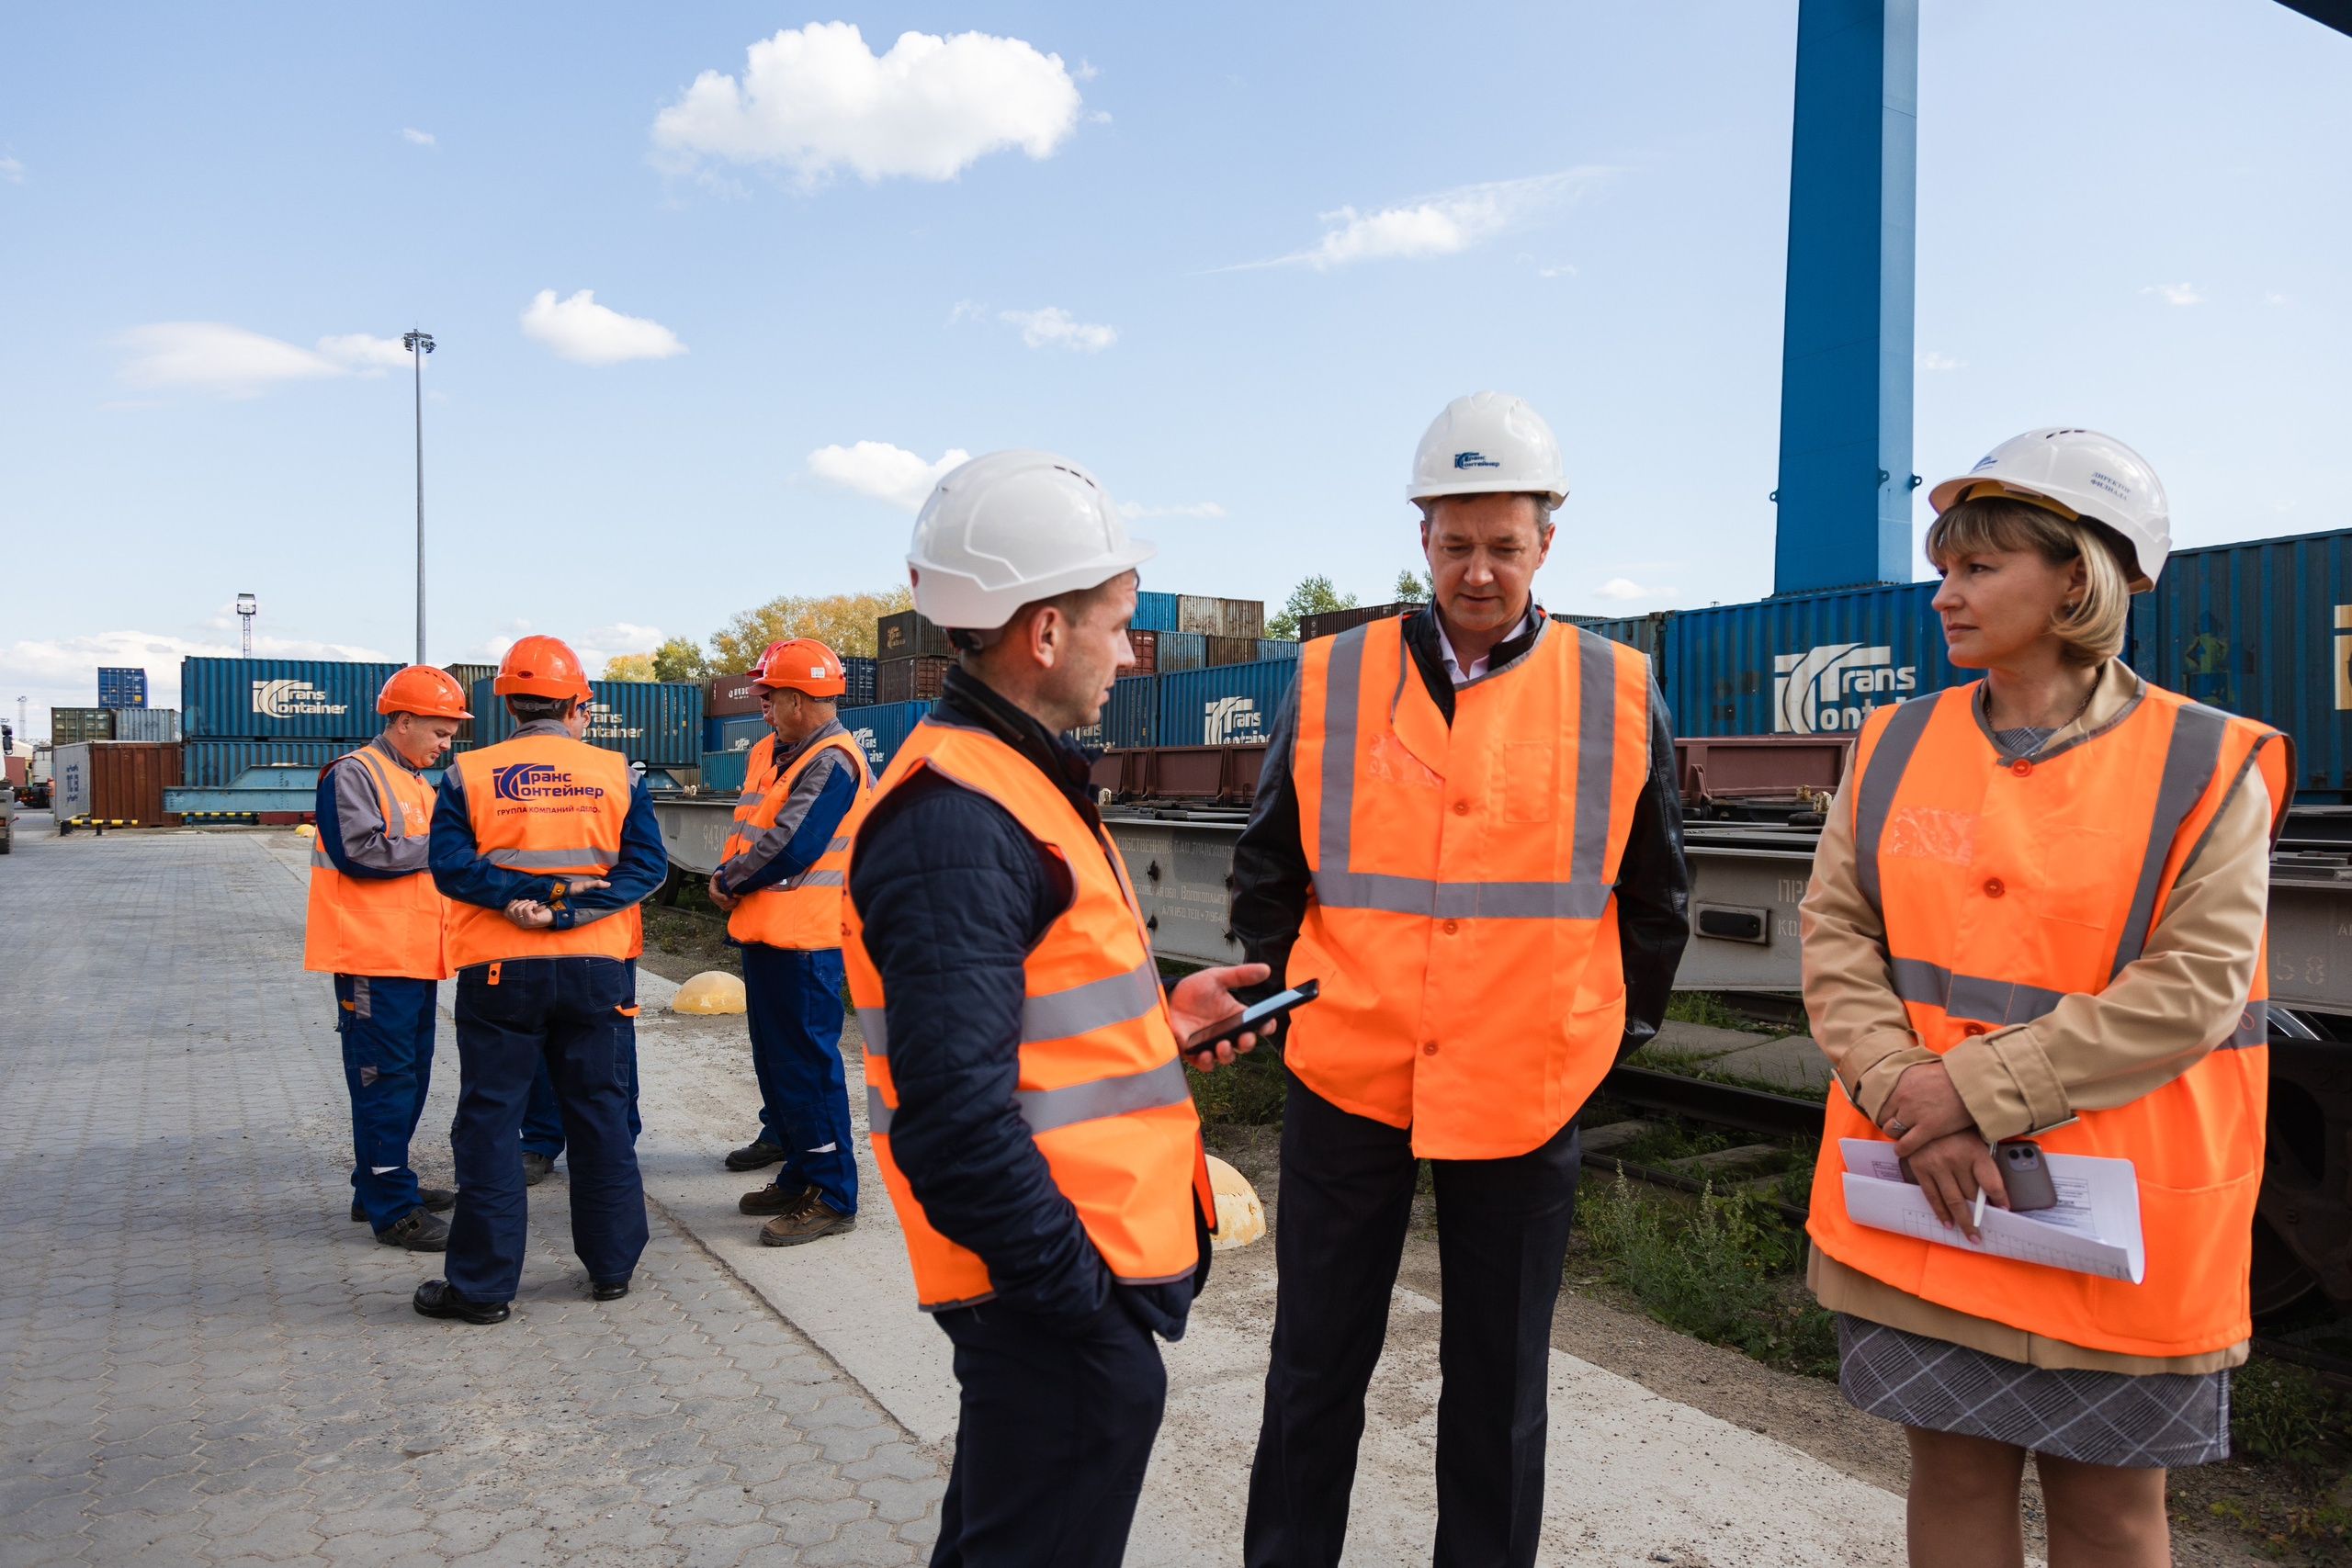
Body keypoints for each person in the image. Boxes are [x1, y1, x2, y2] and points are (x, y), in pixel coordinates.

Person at [1801, 428, 2288, 1568]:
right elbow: (1835, 937)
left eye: (1978, 569)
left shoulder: (2206, 762)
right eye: (1945, 568)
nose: (1944, 596)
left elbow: (2194, 987)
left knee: (2110, 1509)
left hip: (2115, 1220)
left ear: (2076, 577)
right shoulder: (1890, 742)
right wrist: (1904, 1092)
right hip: (1932, 1188)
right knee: (1952, 1478)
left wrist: (1964, 1091)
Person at [1228, 390, 1690, 1568]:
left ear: (1547, 542)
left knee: (1499, 1380)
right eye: (1454, 544)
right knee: (1315, 1358)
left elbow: (1655, 896)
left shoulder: (1618, 688)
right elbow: (1269, 864)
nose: (1478, 571)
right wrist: (1294, 1007)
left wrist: (1601, 1034)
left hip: (1526, 1082)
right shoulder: (1332, 676)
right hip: (1347, 1069)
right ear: (1421, 536)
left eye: (1504, 545)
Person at [846, 449, 1270, 1567]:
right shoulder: (959, 822)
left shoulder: (1010, 782)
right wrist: (1077, 1307)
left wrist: (1164, 1026)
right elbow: (950, 1118)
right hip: (1043, 1287)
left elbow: (1025, 1026)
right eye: (1117, 623)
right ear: (1042, 632)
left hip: (1055, 1275)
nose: (1130, 654)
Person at [413, 635, 669, 1325]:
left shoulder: (469, 773)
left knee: (491, 1125)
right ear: (575, 700)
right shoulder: (618, 772)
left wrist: (520, 898)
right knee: (600, 1114)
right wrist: (565, 904)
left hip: (501, 971)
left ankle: (481, 1287)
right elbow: (646, 869)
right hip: (596, 969)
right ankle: (612, 1269)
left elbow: (451, 867)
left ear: (506, 700)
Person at [707, 636, 874, 1246]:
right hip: (772, 932)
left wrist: (727, 879)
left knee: (808, 1065)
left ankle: (832, 1193)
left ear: (799, 700)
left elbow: (793, 843)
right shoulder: (794, 752)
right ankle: (802, 1171)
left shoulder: (831, 760)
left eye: (772, 696)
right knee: (784, 1066)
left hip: (804, 940)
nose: (765, 706)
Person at [303, 665, 472, 1250]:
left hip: (414, 958)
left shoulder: (417, 780)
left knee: (411, 1074)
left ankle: (376, 1183)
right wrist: (448, 848)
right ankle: (392, 1207)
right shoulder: (355, 773)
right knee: (384, 1080)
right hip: (373, 958)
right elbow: (361, 852)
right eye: (440, 732)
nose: (446, 744)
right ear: (403, 721)